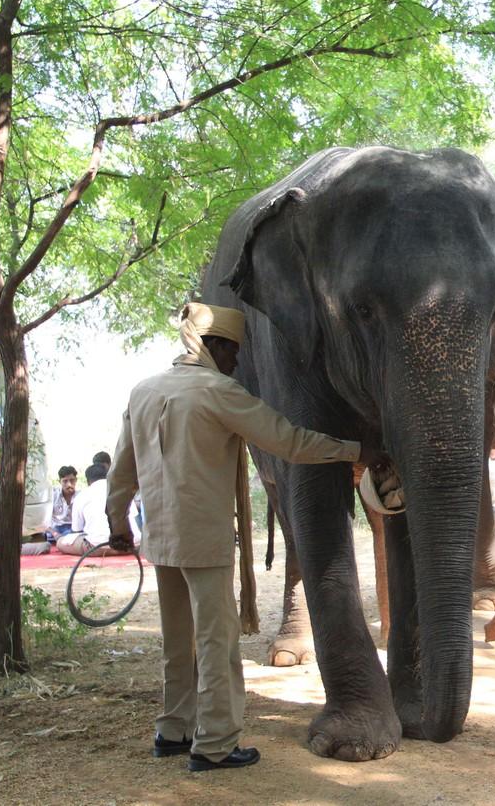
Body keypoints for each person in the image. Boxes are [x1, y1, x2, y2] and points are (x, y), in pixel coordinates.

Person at [104, 301, 371, 772]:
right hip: (202, 538)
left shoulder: (142, 391)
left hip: (161, 537)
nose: (236, 363)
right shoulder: (217, 391)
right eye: (234, 354)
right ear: (215, 346)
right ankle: (215, 745)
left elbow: (121, 471)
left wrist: (118, 523)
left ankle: (172, 730)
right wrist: (354, 450)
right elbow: (288, 440)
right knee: (215, 642)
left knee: (177, 639)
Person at [54, 462, 139, 556]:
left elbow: (77, 530)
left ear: (88, 481)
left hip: (99, 546)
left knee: (61, 542)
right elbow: (134, 517)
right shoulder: (122, 491)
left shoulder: (82, 495)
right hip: (133, 544)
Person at [21, 465, 79, 556]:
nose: (69, 485)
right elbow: (44, 520)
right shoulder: (52, 495)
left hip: (73, 529)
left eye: (72, 480)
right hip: (54, 530)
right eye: (65, 481)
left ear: (76, 480)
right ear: (59, 481)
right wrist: (55, 533)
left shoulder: (81, 496)